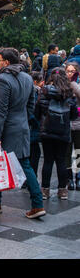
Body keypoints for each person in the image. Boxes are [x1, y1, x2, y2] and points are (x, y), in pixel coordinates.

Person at [0, 48, 46, 219]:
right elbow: (31, 104)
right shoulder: (27, 78)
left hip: (6, 129)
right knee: (25, 164)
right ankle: (35, 203)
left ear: (6, 62)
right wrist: (24, 119)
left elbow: (0, 111)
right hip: (21, 126)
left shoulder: (2, 80)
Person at [35, 67, 78, 201]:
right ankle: (62, 191)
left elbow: (37, 112)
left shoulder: (45, 91)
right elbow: (73, 115)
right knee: (61, 160)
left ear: (51, 77)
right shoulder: (69, 93)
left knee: (48, 160)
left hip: (47, 131)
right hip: (64, 132)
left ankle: (45, 190)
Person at [65, 62, 80, 191]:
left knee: (79, 152)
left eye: (73, 71)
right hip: (66, 125)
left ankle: (78, 178)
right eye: (68, 71)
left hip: (78, 124)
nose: (70, 73)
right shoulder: (62, 85)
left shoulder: (76, 85)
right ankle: (69, 179)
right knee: (67, 153)